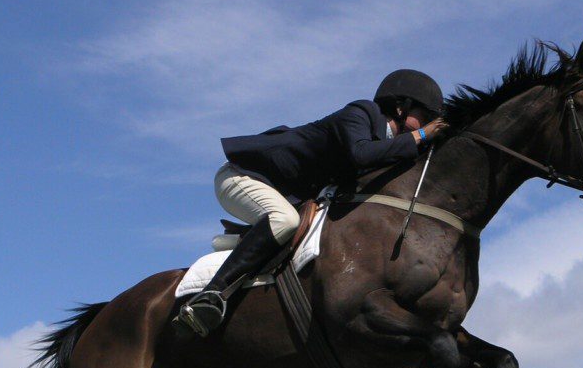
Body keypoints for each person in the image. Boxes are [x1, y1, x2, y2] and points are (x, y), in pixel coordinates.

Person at [174, 70, 447, 336]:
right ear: (401, 108)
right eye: (424, 118)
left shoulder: (388, 146)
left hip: (282, 192)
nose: (426, 126)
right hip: (242, 176)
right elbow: (361, 154)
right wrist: (421, 136)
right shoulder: (361, 113)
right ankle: (210, 295)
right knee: (285, 220)